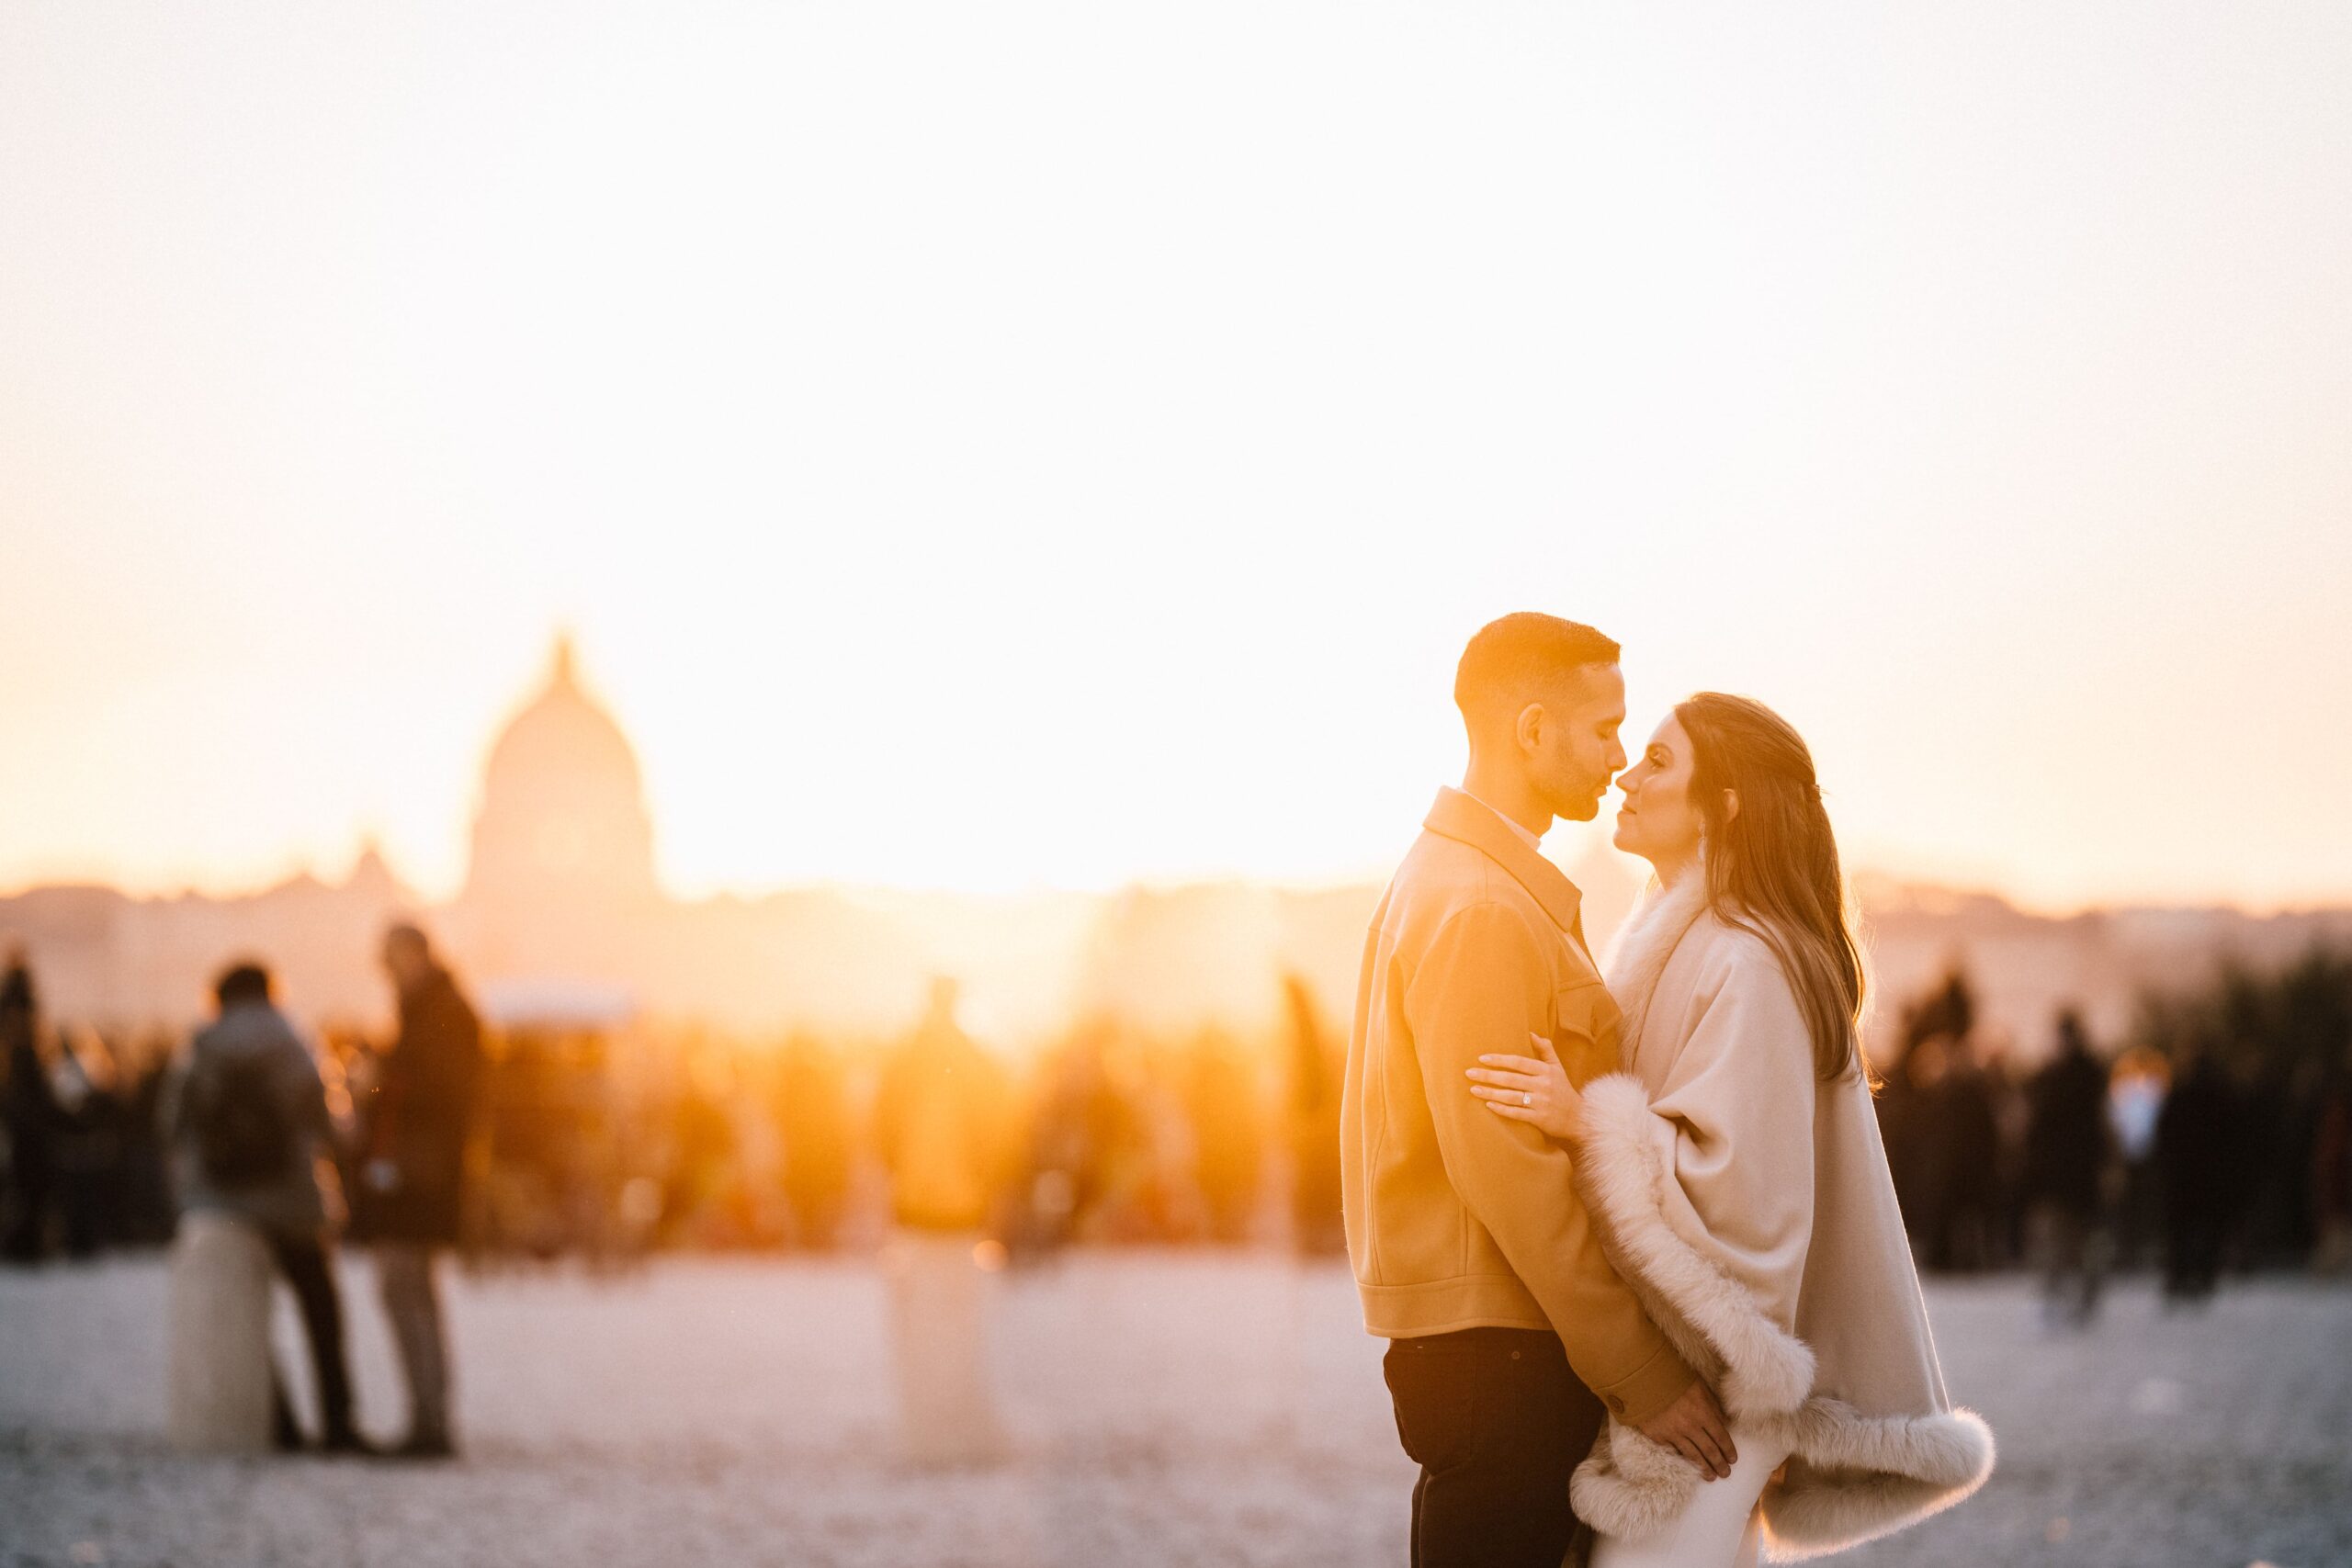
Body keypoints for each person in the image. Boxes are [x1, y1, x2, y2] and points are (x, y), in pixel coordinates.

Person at [1464, 694, 1993, 1565]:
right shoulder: (1700, 939)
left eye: (1660, 763)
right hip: (1702, 1385)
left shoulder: (1747, 958)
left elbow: (1741, 1198)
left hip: (1716, 1394)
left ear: (1728, 801)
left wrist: (1582, 1118)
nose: (1627, 776)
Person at [1343, 614, 1735, 1568]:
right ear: (1529, 732)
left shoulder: (1474, 885)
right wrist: (1640, 1371)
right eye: (1603, 729)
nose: (1615, 758)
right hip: (1499, 1346)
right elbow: (1506, 1172)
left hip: (1493, 1341)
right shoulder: (1479, 906)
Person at [162, 961, 369, 1454]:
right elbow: (326, 1120)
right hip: (293, 1201)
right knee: (320, 1310)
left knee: (249, 1318)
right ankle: (338, 1422)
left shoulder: (201, 1045)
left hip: (224, 1204)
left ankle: (280, 1424)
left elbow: (172, 1122)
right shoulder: (290, 1040)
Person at [872, 977, 1015, 1463]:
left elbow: (881, 1130)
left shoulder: (903, 1058)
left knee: (920, 1328)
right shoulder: (977, 1059)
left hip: (915, 1212)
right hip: (962, 1213)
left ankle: (927, 1431)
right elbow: (1000, 1132)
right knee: (962, 1325)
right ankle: (959, 1426)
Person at [358, 923, 484, 1459]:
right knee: (411, 1292)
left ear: (411, 957)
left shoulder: (441, 1012)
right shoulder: (439, 1008)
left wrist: (379, 1078)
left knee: (404, 1290)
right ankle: (429, 1414)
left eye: (388, 962)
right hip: (422, 1170)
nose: (385, 974)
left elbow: (437, 1093)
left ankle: (429, 1420)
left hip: (420, 1174)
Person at [2021, 1010, 2113, 1325]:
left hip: (2074, 1175)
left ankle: (2078, 1299)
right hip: (2062, 1176)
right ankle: (2063, 1298)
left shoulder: (2073, 1077)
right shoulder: (2067, 1076)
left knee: (2078, 1241)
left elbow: (2095, 1128)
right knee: (2060, 1242)